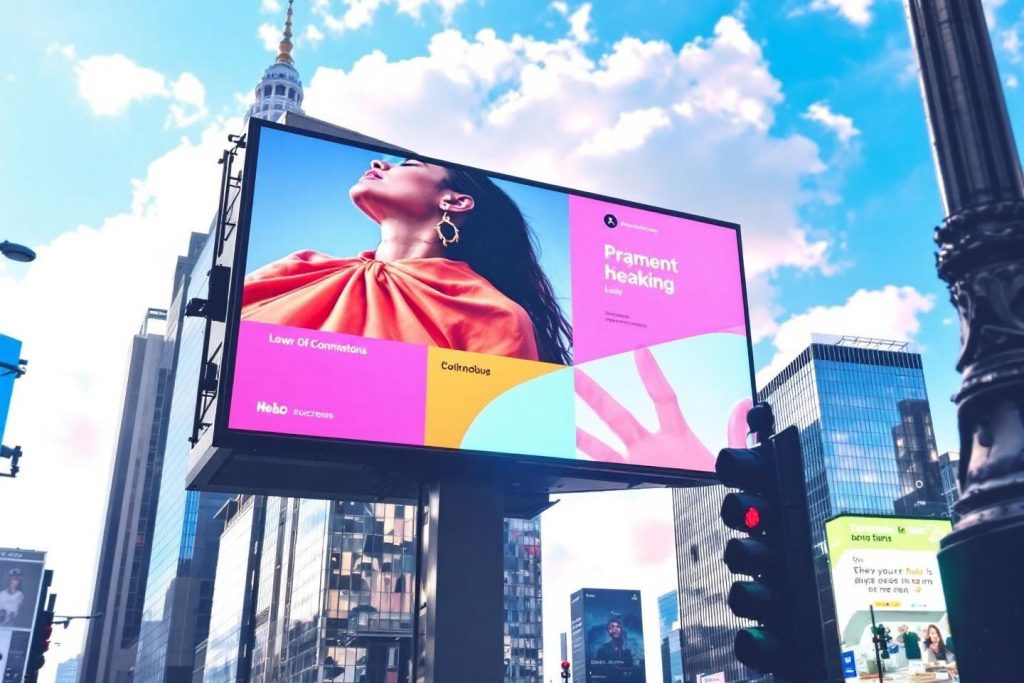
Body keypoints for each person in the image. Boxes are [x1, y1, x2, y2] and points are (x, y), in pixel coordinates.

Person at [242, 158, 572, 364]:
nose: (379, 163)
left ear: (455, 201)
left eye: (410, 164)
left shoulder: (494, 315)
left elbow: (496, 441)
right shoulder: (299, 269)